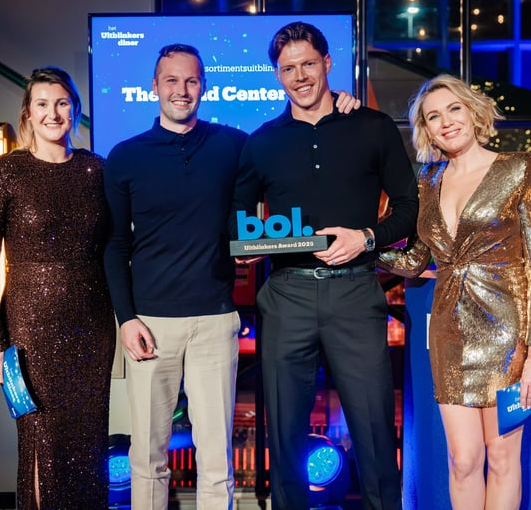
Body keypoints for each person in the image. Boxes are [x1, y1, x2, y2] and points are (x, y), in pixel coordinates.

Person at [103, 43, 361, 510]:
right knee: (146, 459)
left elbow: (290, 139)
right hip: (150, 324)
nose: (182, 90)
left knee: (216, 460)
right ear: (154, 86)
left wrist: (338, 104)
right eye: (171, 81)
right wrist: (126, 318)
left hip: (216, 320)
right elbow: (116, 244)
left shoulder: (233, 144)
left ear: (204, 86)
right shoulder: (124, 156)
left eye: (191, 81)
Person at [231, 21, 418, 510]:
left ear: (328, 62)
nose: (299, 77)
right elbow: (237, 216)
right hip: (286, 295)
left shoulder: (372, 126)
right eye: (288, 68)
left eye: (308, 64)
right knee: (285, 433)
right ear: (277, 75)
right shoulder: (262, 141)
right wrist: (248, 243)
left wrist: (366, 237)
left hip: (356, 292)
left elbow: (409, 207)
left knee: (375, 431)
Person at [377, 73, 531, 509]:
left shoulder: (518, 168)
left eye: (453, 109)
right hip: (449, 333)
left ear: (473, 112)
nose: (446, 122)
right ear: (426, 129)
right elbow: (416, 260)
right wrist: (361, 248)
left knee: (503, 458)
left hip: (507, 334)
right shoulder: (428, 178)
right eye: (433, 117)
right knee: (463, 460)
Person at [0, 67, 115, 509]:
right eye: (43, 104)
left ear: (75, 110)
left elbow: (114, 247)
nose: (53, 113)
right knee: (41, 439)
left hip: (92, 324)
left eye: (62, 103)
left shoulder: (96, 169)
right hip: (29, 326)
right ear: (28, 114)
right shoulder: (4, 171)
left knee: (89, 442)